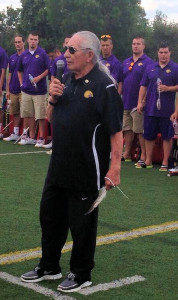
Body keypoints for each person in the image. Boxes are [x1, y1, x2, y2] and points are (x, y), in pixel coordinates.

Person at [21, 31, 123, 292]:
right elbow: (53, 119)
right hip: (59, 165)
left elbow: (115, 130)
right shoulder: (65, 78)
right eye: (66, 49)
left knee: (82, 224)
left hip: (86, 168)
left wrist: (115, 167)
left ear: (89, 55)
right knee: (50, 216)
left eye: (71, 50)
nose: (65, 54)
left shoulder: (105, 86)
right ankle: (49, 265)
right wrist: (53, 99)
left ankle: (81, 272)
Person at [137, 42, 178, 171]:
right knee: (148, 135)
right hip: (150, 109)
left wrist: (168, 88)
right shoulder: (150, 67)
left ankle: (165, 162)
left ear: (170, 53)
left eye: (166, 52)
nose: (163, 55)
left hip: (168, 110)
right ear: (157, 53)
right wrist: (139, 102)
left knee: (167, 137)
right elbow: (143, 85)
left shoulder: (175, 68)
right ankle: (148, 159)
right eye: (161, 52)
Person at [121, 37, 153, 164]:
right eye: (133, 44)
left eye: (138, 44)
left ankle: (143, 155)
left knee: (139, 130)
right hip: (126, 101)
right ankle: (127, 153)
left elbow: (148, 84)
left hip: (138, 103)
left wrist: (143, 100)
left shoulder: (148, 62)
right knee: (127, 129)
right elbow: (122, 81)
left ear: (143, 46)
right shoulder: (126, 62)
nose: (135, 46)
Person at [17, 32, 49, 147]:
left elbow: (48, 69)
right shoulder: (24, 54)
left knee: (40, 116)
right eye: (32, 39)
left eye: (35, 39)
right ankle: (29, 137)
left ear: (38, 41)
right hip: (26, 91)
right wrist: (21, 83)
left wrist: (39, 78)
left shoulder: (42, 54)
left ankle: (41, 138)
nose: (33, 41)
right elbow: (19, 70)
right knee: (27, 114)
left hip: (39, 91)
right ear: (28, 40)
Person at [43, 35, 71, 150]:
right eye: (66, 43)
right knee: (54, 116)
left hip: (70, 93)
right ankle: (56, 140)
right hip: (59, 93)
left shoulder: (75, 61)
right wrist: (52, 91)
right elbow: (53, 77)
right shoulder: (59, 61)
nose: (68, 46)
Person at [3, 35, 25, 142]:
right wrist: (8, 90)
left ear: (23, 43)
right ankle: (15, 133)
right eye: (16, 42)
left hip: (24, 90)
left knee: (25, 112)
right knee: (15, 112)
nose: (17, 44)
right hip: (13, 89)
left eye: (19, 42)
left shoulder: (26, 56)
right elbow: (9, 75)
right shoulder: (12, 57)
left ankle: (26, 134)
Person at [0, 45, 8, 138]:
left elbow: (3, 70)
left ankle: (0, 129)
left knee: (0, 108)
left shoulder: (2, 52)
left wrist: (0, 86)